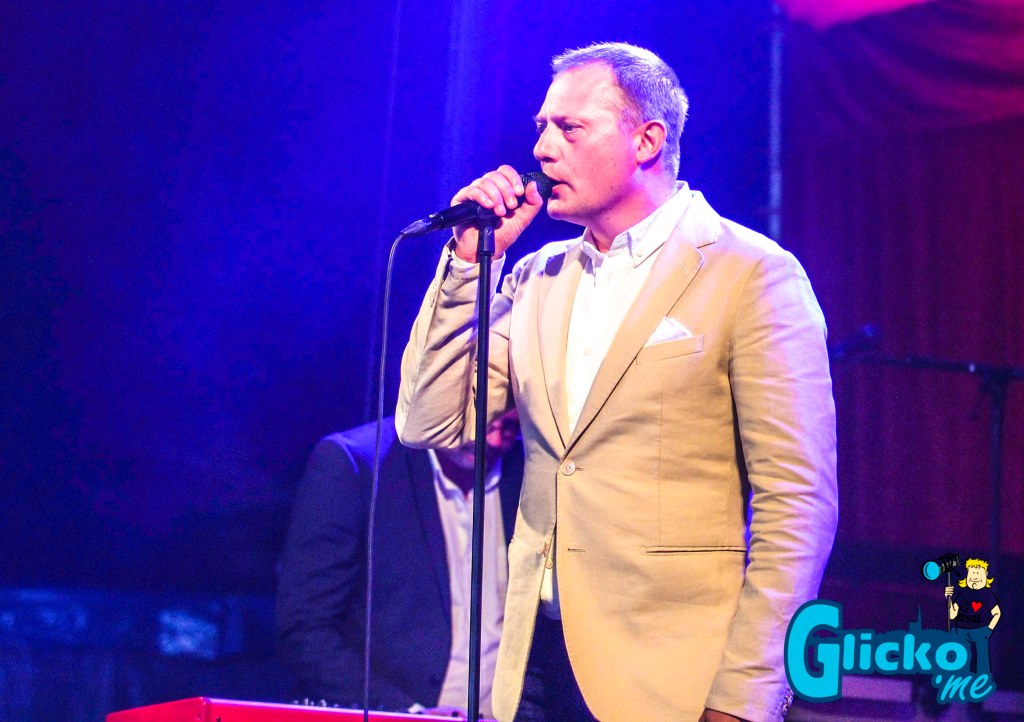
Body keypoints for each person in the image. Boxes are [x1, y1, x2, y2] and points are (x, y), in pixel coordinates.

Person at [396, 42, 838, 722]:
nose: (542, 149)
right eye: (542, 128)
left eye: (570, 128)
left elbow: (798, 503)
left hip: (669, 679)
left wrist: (748, 695)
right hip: (532, 665)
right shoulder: (535, 277)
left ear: (646, 141)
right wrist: (467, 267)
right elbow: (428, 420)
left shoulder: (751, 273)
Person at [276, 413, 523, 716]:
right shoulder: (353, 464)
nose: (495, 441)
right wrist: (408, 713)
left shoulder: (528, 469)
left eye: (510, 427)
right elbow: (305, 628)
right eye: (486, 422)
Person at [945, 557, 1001, 679]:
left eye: (978, 573)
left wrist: (989, 629)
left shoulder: (987, 595)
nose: (975, 576)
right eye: (972, 573)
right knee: (962, 661)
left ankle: (980, 683)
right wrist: (949, 599)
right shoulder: (963, 595)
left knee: (981, 662)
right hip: (962, 632)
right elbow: (952, 614)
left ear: (985, 575)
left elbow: (997, 613)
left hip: (980, 632)